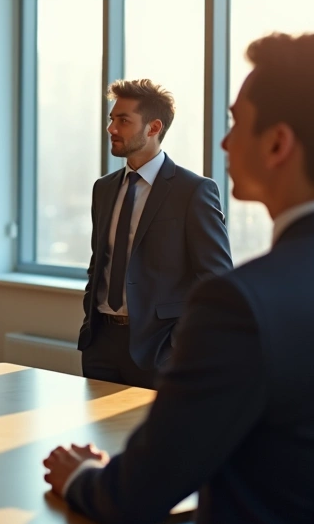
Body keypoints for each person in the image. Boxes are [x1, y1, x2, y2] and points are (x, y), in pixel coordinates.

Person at [44, 29, 314, 524]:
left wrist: (81, 475)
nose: (224, 141)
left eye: (236, 122)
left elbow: (136, 495)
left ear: (278, 144)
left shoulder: (241, 304)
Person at [80, 79, 232, 388]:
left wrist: (177, 345)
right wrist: (90, 322)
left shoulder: (194, 191)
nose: (111, 128)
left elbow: (215, 281)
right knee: (98, 435)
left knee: (153, 436)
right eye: (112, 119)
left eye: (123, 120)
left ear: (153, 127)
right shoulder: (104, 189)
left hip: (160, 350)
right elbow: (100, 262)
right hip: (101, 344)